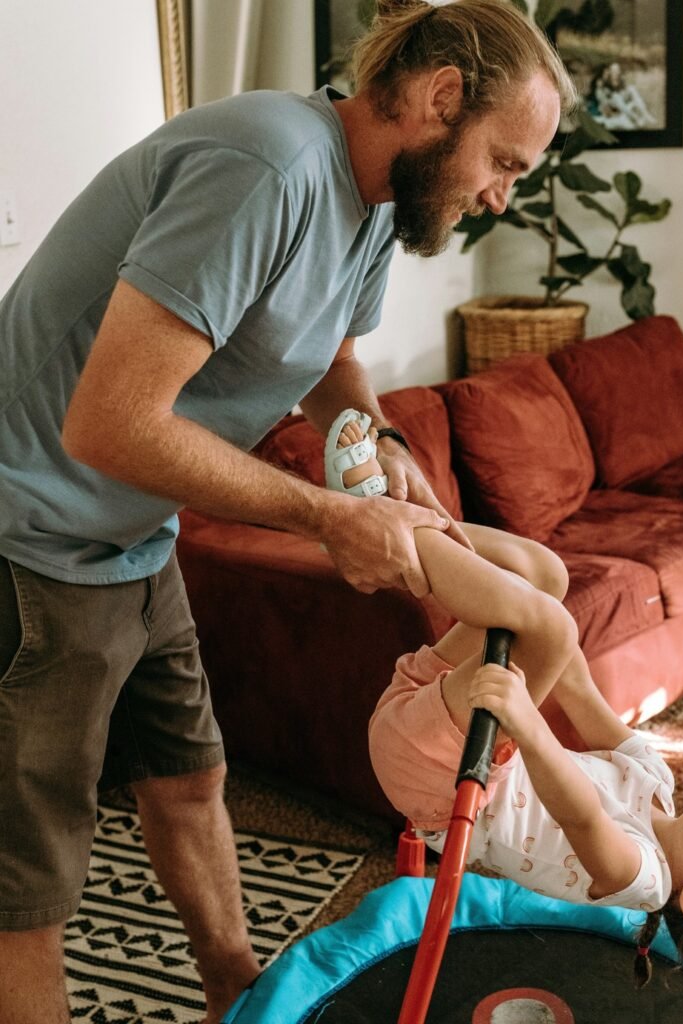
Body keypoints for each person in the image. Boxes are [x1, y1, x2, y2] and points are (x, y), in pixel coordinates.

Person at [0, 2, 578, 1022]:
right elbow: (110, 421)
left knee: (188, 778)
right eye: (505, 162)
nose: (497, 196)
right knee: (28, 882)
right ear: (441, 98)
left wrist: (381, 442)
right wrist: (325, 517)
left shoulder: (373, 204)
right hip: (30, 536)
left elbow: (334, 360)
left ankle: (241, 994)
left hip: (132, 535)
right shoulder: (266, 167)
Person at [329, 418, 683, 1003]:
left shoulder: (643, 877)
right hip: (443, 704)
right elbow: (579, 689)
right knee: (548, 576)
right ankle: (394, 519)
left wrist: (526, 712)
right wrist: (536, 618)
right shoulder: (656, 781)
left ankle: (374, 524)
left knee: (549, 622)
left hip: (439, 775)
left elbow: (583, 818)